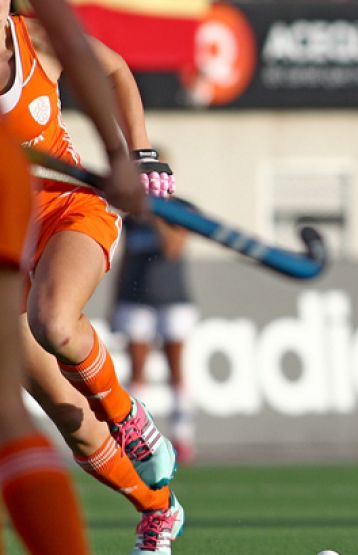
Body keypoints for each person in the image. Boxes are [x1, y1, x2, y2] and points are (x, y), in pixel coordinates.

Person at [1, 1, 184, 553]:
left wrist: (136, 153)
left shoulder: (35, 36)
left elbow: (112, 69)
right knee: (68, 417)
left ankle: (128, 416)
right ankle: (158, 510)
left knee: (53, 321)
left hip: (67, 212)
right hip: (7, 235)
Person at [113, 195, 199, 463]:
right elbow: (125, 261)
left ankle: (182, 436)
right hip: (136, 300)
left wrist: (156, 216)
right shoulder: (132, 218)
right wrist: (115, 302)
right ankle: (138, 437)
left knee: (176, 370)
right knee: (137, 371)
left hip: (172, 299)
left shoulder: (181, 210)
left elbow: (173, 247)